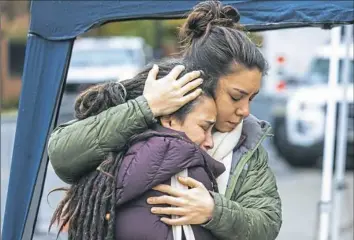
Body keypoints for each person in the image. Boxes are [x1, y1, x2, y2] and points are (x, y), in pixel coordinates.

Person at [48, 1, 282, 240]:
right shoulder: (147, 109)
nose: (245, 111)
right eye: (236, 97)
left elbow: (267, 222)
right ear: (204, 82)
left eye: (252, 98)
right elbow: (61, 155)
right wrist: (146, 107)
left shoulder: (246, 142)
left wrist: (215, 211)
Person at [50, 58, 226, 239]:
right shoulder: (188, 166)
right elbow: (60, 151)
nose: (210, 141)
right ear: (170, 119)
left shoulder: (112, 164)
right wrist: (147, 106)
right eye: (204, 127)